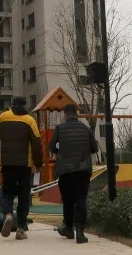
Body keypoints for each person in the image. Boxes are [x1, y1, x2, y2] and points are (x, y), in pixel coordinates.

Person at [49, 103, 98, 244]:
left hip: (65, 171)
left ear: (65, 114)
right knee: (81, 200)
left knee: (68, 200)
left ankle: (68, 228)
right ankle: (80, 233)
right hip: (83, 171)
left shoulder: (59, 129)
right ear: (76, 114)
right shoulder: (86, 129)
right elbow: (94, 148)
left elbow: (51, 147)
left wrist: (60, 152)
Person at [0, 96, 43, 240]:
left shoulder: (2, 118)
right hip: (24, 165)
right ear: (24, 105)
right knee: (24, 196)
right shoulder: (30, 120)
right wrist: (38, 164)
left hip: (7, 163)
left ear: (11, 105)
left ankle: (8, 214)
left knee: (6, 192)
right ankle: (21, 229)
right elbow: (36, 144)